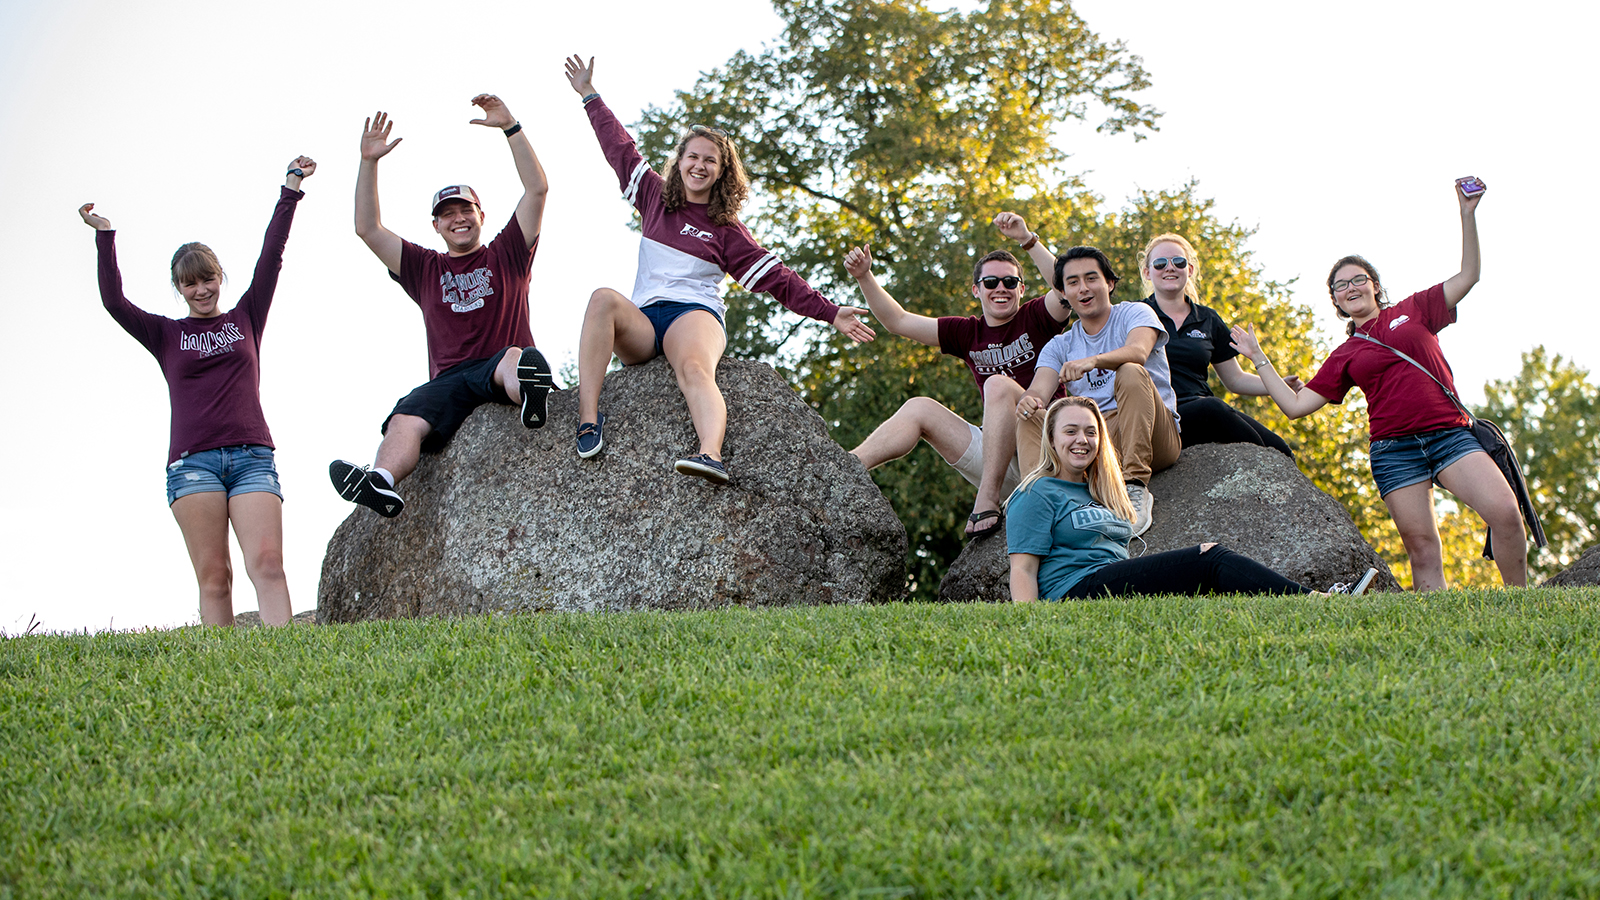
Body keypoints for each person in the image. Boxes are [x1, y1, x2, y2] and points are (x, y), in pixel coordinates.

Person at [563, 54, 875, 485]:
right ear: (680, 160)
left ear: (722, 171)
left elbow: (778, 279)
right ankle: (587, 420)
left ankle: (710, 455)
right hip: (642, 322)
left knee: (693, 368)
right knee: (601, 298)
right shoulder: (654, 195)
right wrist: (589, 95)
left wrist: (829, 312)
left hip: (691, 315)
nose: (699, 166)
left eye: (710, 160)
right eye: (692, 157)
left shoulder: (727, 230)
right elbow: (620, 148)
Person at [1230, 177, 1524, 590]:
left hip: (1449, 435)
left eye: (1357, 280)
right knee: (1422, 549)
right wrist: (1259, 359)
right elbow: (1295, 407)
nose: (1350, 288)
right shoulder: (1345, 354)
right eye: (1340, 286)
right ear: (1335, 301)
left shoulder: (1416, 309)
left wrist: (1466, 214)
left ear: (1375, 285)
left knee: (1505, 512)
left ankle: (1519, 601)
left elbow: (1469, 275)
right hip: (1394, 449)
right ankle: (1438, 628)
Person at [81, 157, 316, 627]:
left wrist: (291, 189)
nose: (202, 289)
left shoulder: (246, 317)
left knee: (268, 565)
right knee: (215, 578)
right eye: (191, 283)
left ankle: (288, 661)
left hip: (252, 457)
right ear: (179, 289)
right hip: (193, 466)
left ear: (219, 277)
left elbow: (271, 257)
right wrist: (105, 235)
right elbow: (113, 302)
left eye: (208, 278)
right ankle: (222, 671)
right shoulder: (165, 334)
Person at [329, 96, 553, 518]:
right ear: (436, 225)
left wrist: (511, 127)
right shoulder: (423, 267)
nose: (458, 219)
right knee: (405, 415)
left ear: (480, 214)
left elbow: (537, 189)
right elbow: (367, 228)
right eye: (447, 215)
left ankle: (530, 394)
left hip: (498, 365)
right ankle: (381, 483)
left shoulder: (507, 252)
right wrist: (368, 162)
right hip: (449, 381)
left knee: (513, 359)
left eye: (465, 209)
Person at [1005, 397, 1377, 602]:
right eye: (1070, 431)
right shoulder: (1036, 492)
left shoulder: (1098, 491)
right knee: (1208, 557)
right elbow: (1022, 569)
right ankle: (1319, 602)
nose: (1081, 440)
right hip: (1073, 591)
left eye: (1090, 432)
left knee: (1203, 583)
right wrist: (1033, 627)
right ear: (1051, 439)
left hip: (1105, 584)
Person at [843, 213, 1071, 539]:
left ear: (1021, 289)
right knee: (919, 407)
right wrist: (865, 277)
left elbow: (1065, 287)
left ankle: (987, 497)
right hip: (1002, 459)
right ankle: (842, 469)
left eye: (1009, 282)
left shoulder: (1036, 316)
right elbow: (898, 321)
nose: (1000, 289)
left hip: (1048, 447)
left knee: (997, 384)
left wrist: (1027, 239)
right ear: (977, 291)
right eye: (990, 283)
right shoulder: (966, 332)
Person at [1014, 243, 1181, 537]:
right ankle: (1041, 499)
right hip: (1097, 441)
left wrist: (1094, 361)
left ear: (1109, 283)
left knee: (1130, 370)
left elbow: (1138, 352)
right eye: (1073, 282)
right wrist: (1029, 401)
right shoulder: (1060, 344)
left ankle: (1134, 488)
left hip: (1152, 431)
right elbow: (1038, 391)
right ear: (1063, 293)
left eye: (1092, 278)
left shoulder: (1135, 313)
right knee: (1032, 418)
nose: (1083, 289)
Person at [1137, 233, 1295, 458]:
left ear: (1189, 269)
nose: (1169, 268)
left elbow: (1235, 379)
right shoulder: (1135, 315)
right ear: (1147, 272)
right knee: (1214, 408)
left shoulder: (1208, 319)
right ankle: (1261, 462)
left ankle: (1269, 468)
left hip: (1201, 406)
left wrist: (1277, 384)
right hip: (1161, 414)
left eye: (1178, 262)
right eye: (1160, 263)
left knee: (1280, 449)